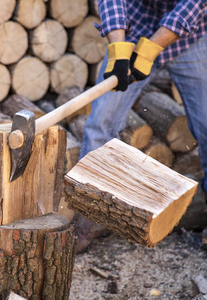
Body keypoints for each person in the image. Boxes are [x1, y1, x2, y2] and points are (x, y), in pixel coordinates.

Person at [75, 0, 207, 252]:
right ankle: (90, 218)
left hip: (192, 40)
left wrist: (152, 49)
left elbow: (192, 5)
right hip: (135, 28)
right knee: (100, 123)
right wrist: (118, 46)